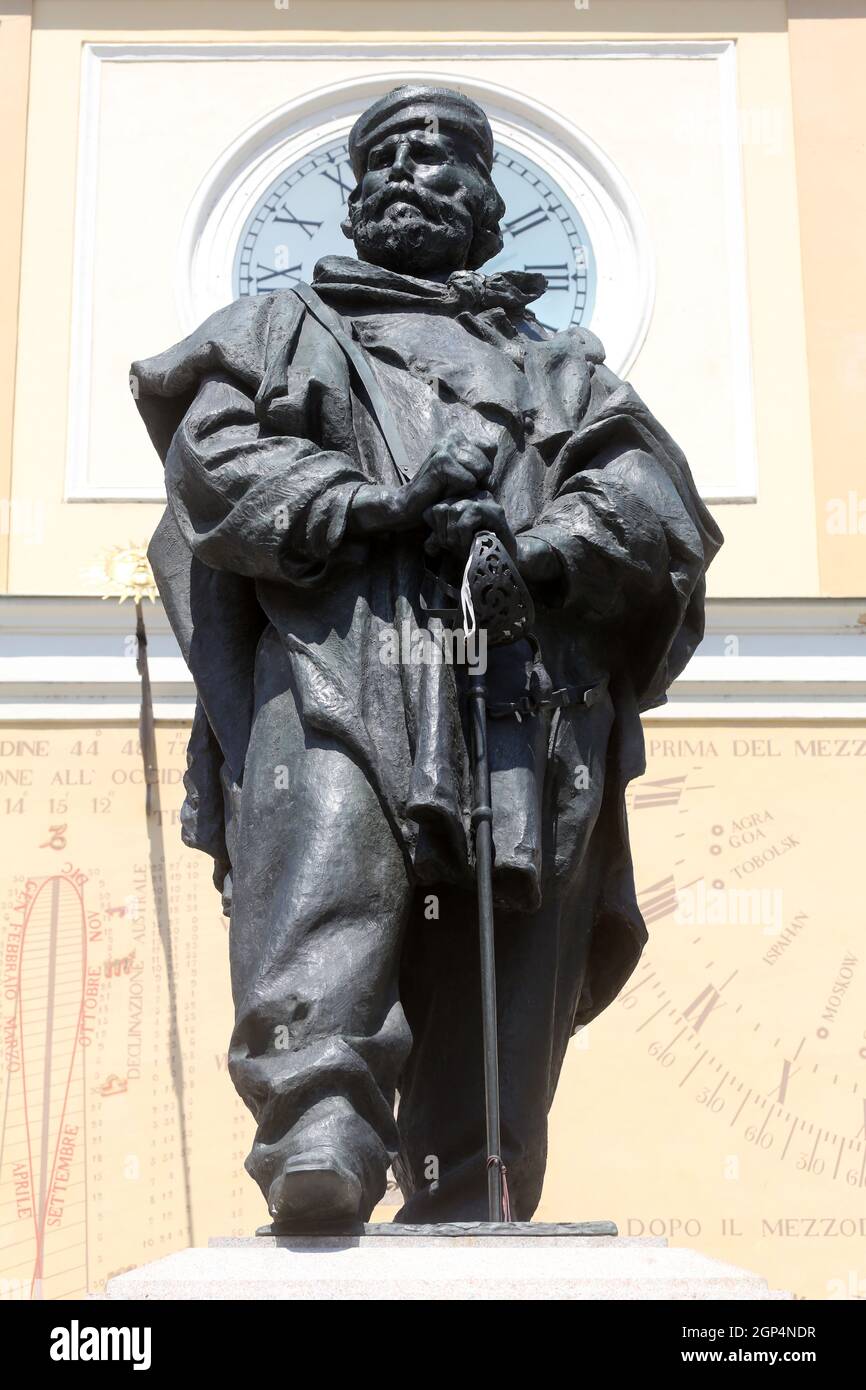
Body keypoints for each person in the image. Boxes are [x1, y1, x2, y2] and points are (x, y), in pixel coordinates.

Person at [131, 84, 722, 1229]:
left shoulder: (562, 367)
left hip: (514, 671)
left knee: (514, 923)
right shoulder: (280, 329)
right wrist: (372, 505)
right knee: (331, 863)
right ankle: (319, 1123)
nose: (412, 173)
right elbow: (215, 464)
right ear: (352, 204)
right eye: (388, 159)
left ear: (490, 208)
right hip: (340, 646)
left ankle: (470, 1167)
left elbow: (651, 502)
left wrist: (540, 549)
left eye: (444, 160)